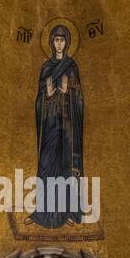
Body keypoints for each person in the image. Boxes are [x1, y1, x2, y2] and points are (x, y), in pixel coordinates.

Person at [29, 24, 85, 228]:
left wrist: (68, 90)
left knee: (65, 167)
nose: (59, 43)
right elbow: (40, 96)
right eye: (56, 40)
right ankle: (43, 213)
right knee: (46, 164)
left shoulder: (72, 66)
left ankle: (68, 212)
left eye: (62, 40)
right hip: (50, 124)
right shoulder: (46, 67)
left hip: (67, 126)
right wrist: (49, 93)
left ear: (67, 42)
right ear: (52, 42)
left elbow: (79, 98)